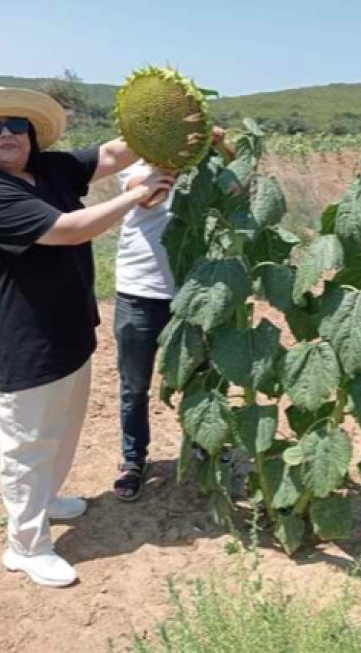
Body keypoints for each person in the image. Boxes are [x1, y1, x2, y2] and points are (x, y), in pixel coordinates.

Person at [0, 85, 176, 587]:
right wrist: (135, 194)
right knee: (27, 442)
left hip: (69, 327)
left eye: (16, 125)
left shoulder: (49, 169)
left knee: (62, 428)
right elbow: (69, 228)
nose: (6, 134)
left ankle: (46, 501)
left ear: (30, 134)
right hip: (26, 337)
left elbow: (109, 154)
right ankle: (25, 544)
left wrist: (165, 122)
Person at [112, 127, 232, 501]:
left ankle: (202, 443)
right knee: (135, 385)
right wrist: (178, 154)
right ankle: (133, 460)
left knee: (201, 377)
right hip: (140, 290)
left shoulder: (205, 167)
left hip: (196, 291)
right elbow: (149, 196)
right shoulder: (138, 162)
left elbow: (236, 188)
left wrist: (221, 145)